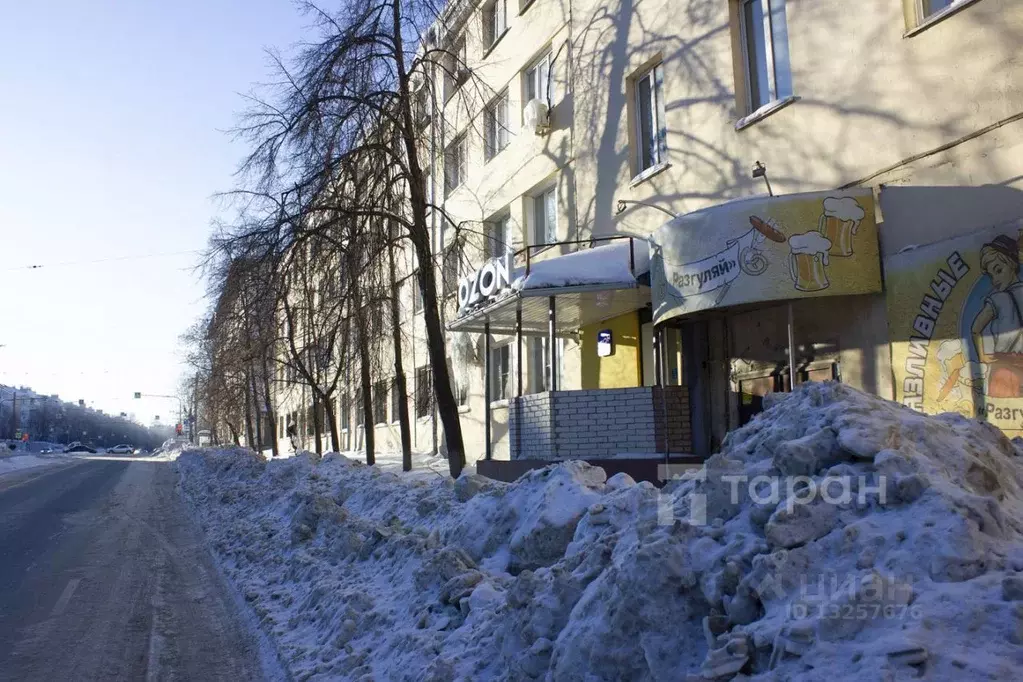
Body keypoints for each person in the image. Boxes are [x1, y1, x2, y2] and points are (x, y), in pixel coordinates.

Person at [971, 234, 1023, 398]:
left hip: (1004, 370)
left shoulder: (998, 299)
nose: (995, 280)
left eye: (998, 270)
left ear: (1013, 264)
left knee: (1004, 419)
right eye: (991, 275)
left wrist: (982, 356)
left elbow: (975, 330)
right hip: (1010, 368)